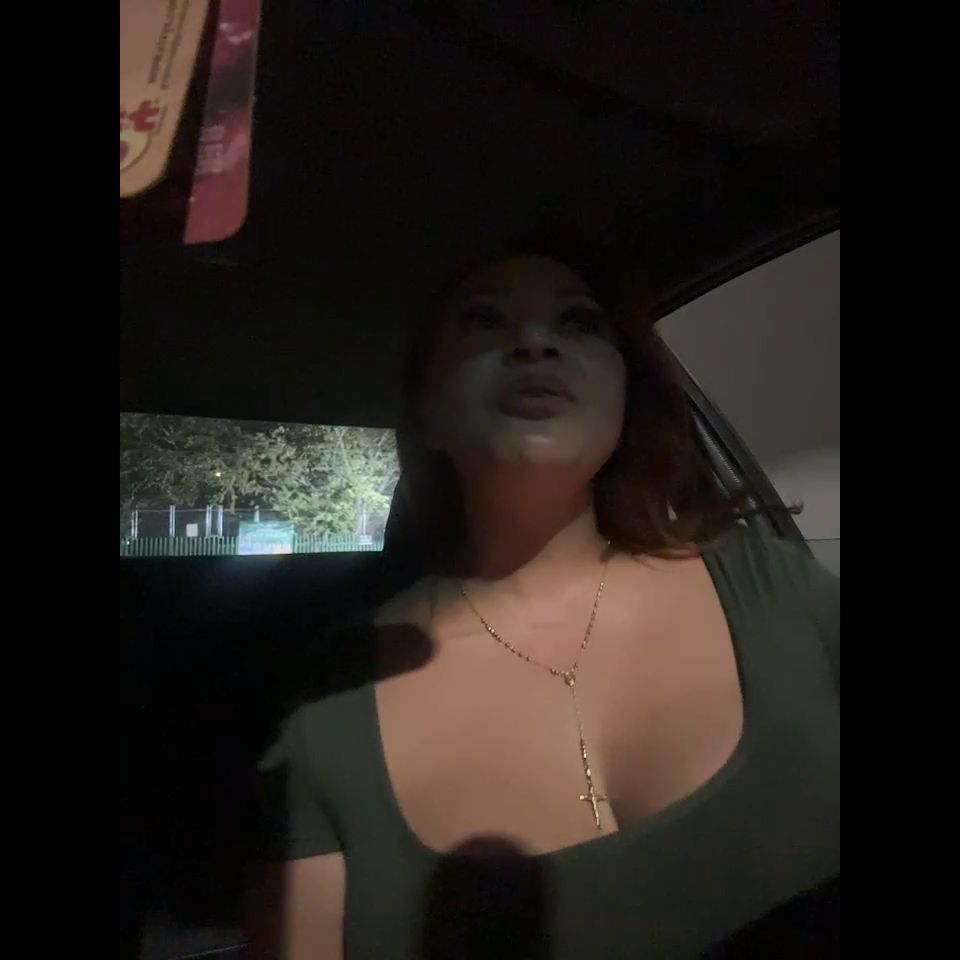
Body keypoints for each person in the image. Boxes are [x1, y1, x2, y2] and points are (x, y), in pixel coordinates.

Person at [249, 251, 840, 959]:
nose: (534, 342)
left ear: (625, 391)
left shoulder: (771, 585)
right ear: (425, 408)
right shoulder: (331, 705)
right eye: (484, 320)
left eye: (578, 322)